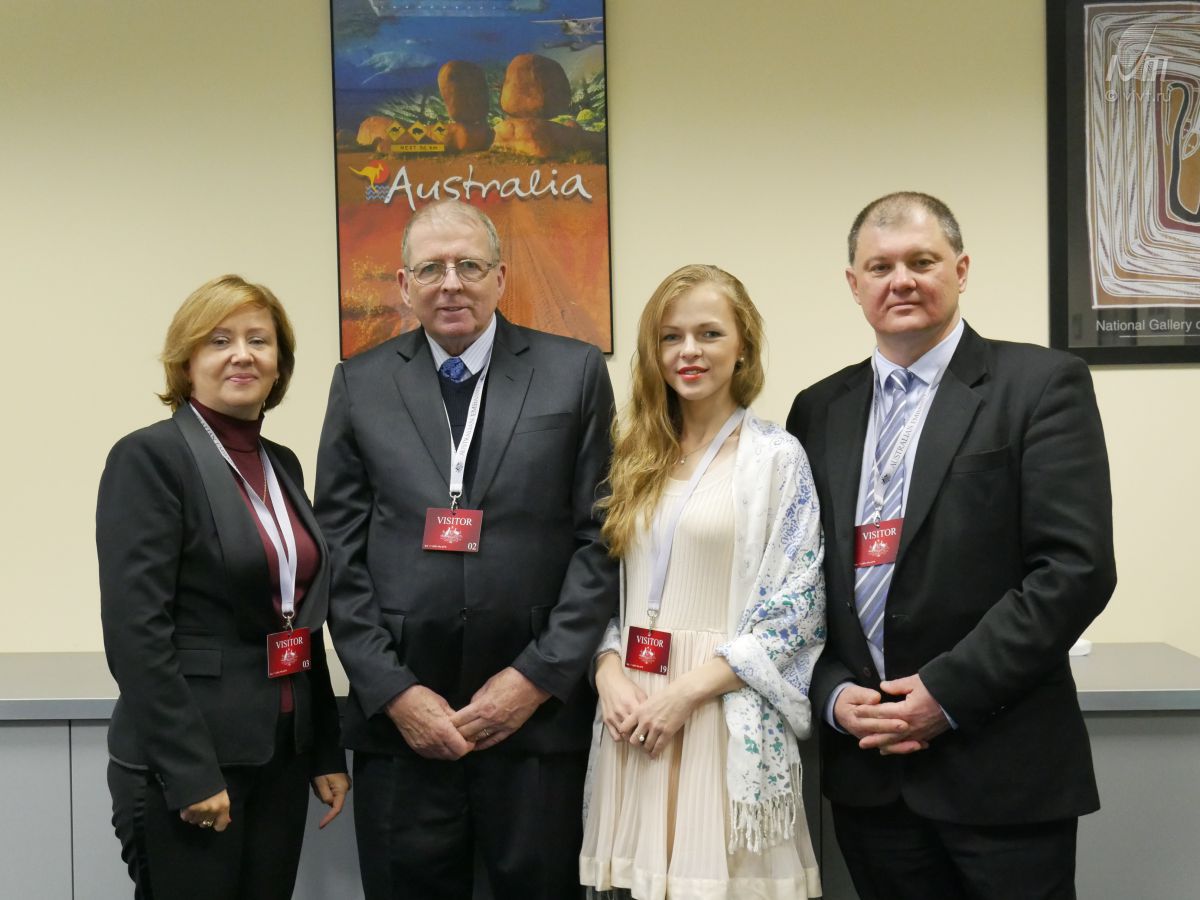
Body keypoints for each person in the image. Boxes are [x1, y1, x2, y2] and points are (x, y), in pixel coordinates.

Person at [786, 192, 1117, 900]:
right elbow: (799, 583)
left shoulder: (1040, 385)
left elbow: (1074, 570)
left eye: (922, 261)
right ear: (854, 284)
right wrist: (833, 692)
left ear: (961, 270)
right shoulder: (816, 410)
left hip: (1001, 771)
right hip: (871, 773)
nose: (901, 280)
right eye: (881, 266)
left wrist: (946, 693)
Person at [315, 198, 619, 900]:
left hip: (536, 723)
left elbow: (600, 538)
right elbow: (337, 553)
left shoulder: (572, 372)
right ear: (404, 285)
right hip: (402, 727)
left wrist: (536, 677)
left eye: (469, 266)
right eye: (431, 268)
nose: (450, 283)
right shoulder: (360, 383)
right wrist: (393, 691)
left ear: (500, 277)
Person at [97, 275, 350, 899]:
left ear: (279, 365)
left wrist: (323, 749)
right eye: (219, 340)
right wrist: (190, 773)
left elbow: (295, 614)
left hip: (279, 755)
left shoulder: (281, 463)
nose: (242, 355)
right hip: (190, 764)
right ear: (187, 362)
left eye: (259, 341)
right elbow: (136, 635)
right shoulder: (150, 458)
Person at [579, 264, 825, 900]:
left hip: (715, 709)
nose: (689, 351)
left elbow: (798, 609)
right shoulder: (632, 456)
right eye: (671, 336)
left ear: (742, 345)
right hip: (633, 710)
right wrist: (606, 670)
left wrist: (686, 693)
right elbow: (601, 584)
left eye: (709, 333)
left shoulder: (775, 458)